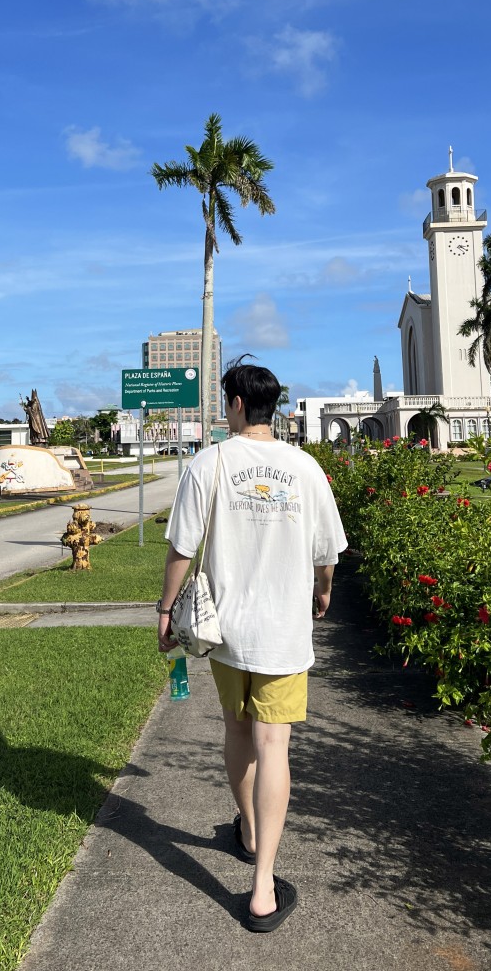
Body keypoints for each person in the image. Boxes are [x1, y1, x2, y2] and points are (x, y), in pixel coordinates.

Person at [158, 357, 347, 933]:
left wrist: (166, 612)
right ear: (273, 406)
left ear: (237, 404)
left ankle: (246, 826)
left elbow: (181, 551)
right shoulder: (306, 467)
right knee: (275, 746)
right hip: (283, 633)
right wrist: (322, 595)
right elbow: (326, 555)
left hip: (225, 633)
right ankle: (263, 886)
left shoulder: (208, 463)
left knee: (237, 731)